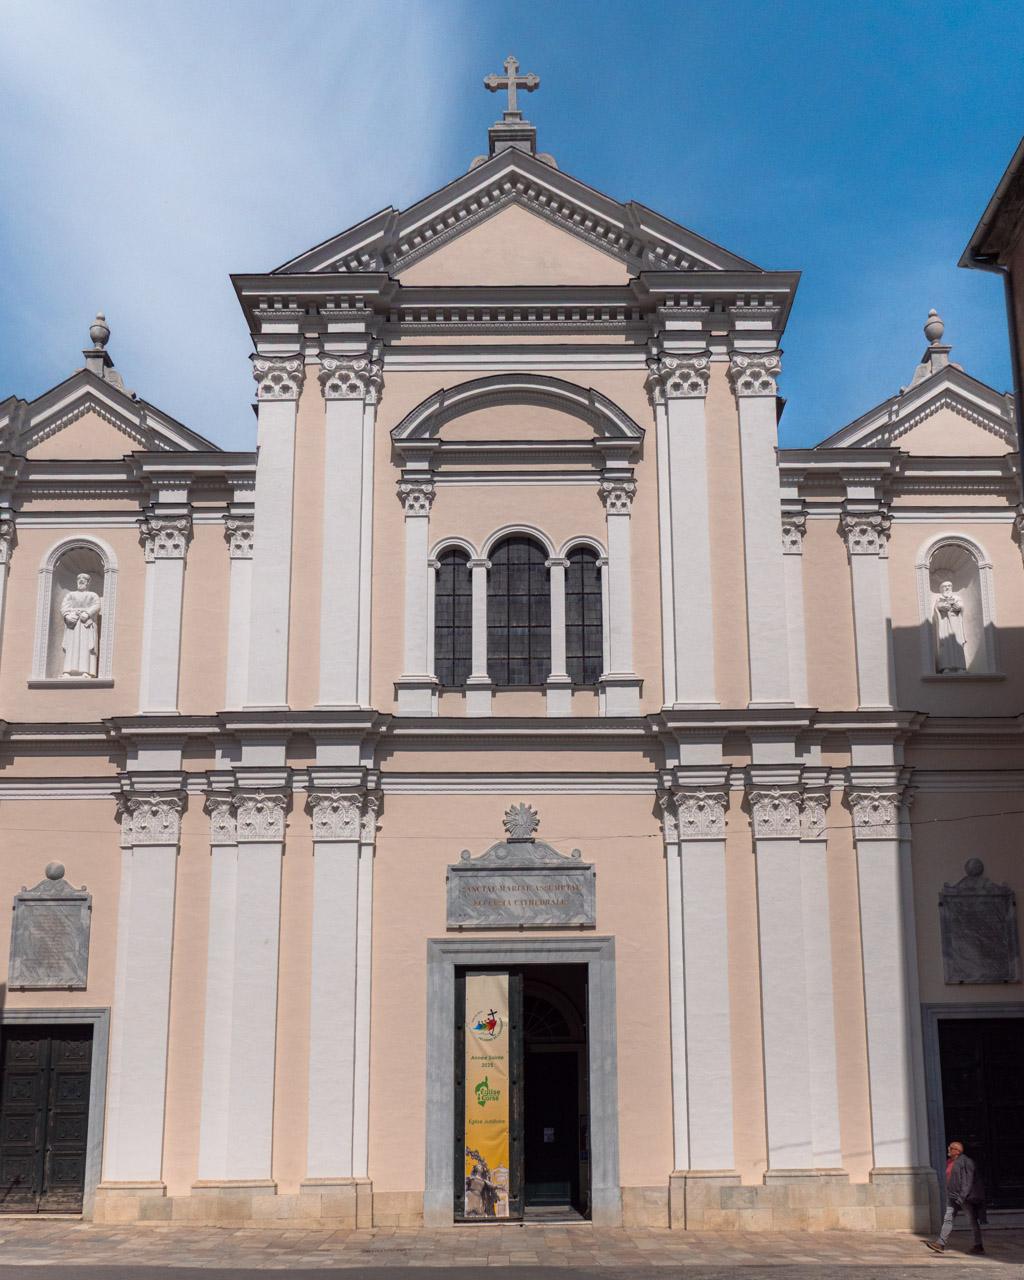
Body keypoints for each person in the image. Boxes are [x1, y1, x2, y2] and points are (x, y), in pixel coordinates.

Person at [925, 1140, 985, 1255]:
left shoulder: (967, 1162)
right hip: (952, 1196)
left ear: (957, 1151)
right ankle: (940, 1244)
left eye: (950, 1148)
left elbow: (968, 1181)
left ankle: (978, 1245)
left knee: (972, 1220)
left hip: (964, 1197)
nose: (948, 1149)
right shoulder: (949, 1162)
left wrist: (962, 1196)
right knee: (948, 1219)